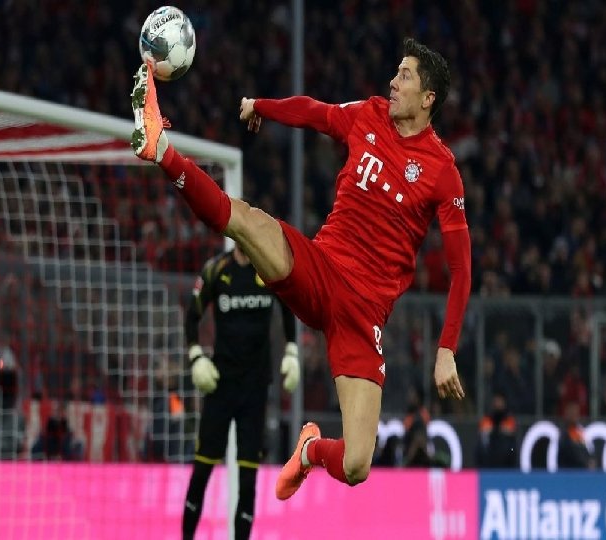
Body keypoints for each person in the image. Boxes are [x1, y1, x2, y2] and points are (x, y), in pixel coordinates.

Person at [131, 37, 471, 500]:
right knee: (246, 222)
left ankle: (308, 450)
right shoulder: (369, 114)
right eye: (396, 72)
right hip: (321, 267)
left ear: (428, 98)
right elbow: (317, 113)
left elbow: (461, 267)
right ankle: (163, 150)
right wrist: (261, 106)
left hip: (364, 313)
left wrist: (446, 348)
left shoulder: (443, 172)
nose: (393, 82)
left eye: (404, 76)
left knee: (356, 464)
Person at [181, 244, 299, 540]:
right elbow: (192, 315)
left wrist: (292, 351)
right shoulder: (216, 270)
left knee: (247, 480)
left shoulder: (268, 268)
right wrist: (196, 356)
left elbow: (290, 307)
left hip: (255, 390)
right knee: (202, 471)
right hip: (220, 386)